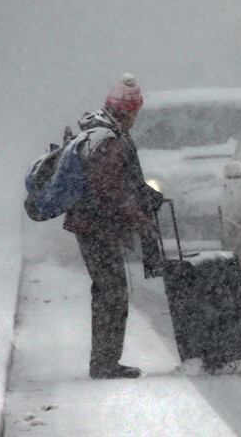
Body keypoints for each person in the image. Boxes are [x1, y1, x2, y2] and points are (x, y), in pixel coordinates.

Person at [64, 73, 163, 379]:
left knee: (109, 291)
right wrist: (140, 221)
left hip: (92, 223)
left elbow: (122, 181)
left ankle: (104, 361)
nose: (135, 119)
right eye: (135, 112)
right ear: (128, 111)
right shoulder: (107, 139)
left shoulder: (103, 132)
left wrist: (149, 196)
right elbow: (111, 191)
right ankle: (104, 364)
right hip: (96, 226)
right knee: (112, 293)